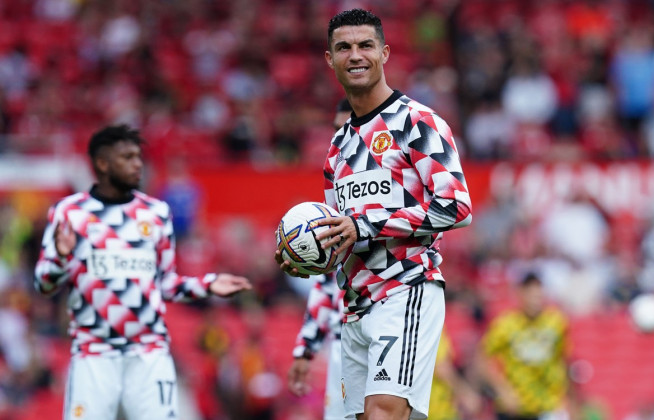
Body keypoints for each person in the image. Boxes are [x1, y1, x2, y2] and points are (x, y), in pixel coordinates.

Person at [276, 9, 472, 419]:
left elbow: (456, 206)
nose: (355, 55)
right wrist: (307, 256)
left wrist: (365, 225)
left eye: (365, 45)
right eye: (343, 47)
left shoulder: (417, 122)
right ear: (330, 60)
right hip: (354, 304)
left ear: (384, 53)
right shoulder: (337, 148)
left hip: (405, 288)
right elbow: (339, 235)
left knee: (383, 413)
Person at [34, 124, 252, 420]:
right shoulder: (69, 213)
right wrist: (60, 256)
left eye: (139, 156)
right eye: (127, 157)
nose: (138, 163)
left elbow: (166, 283)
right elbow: (43, 284)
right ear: (102, 163)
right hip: (94, 353)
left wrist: (208, 285)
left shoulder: (156, 213)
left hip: (148, 353)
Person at [287, 99, 352, 420]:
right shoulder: (336, 198)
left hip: (388, 336)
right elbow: (328, 283)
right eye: (334, 131)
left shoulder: (394, 190)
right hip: (344, 344)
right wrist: (306, 348)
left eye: (347, 129)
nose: (338, 139)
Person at [477, 272, 569, 420]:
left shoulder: (556, 322)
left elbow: (564, 359)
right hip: (515, 406)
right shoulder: (506, 325)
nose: (536, 301)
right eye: (532, 296)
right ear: (521, 295)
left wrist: (567, 397)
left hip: (548, 404)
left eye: (539, 296)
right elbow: (482, 358)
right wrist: (502, 390)